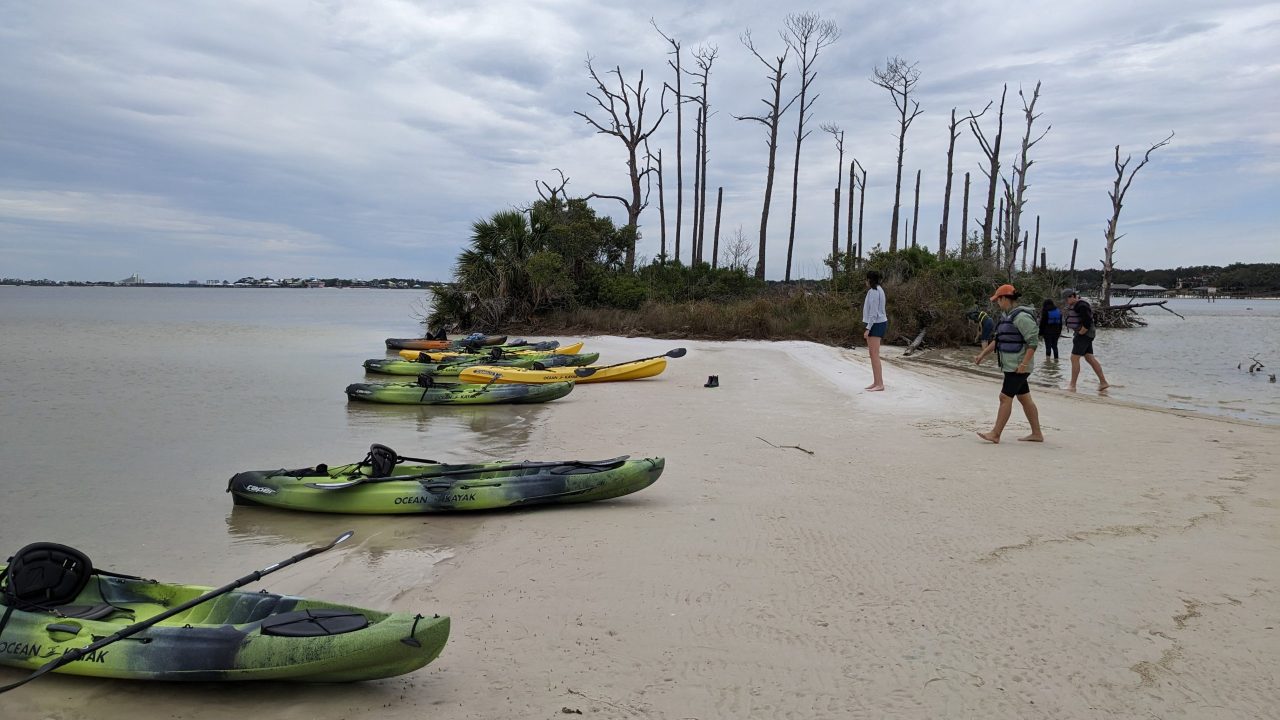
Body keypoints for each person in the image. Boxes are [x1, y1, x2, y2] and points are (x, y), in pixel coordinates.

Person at [974, 284, 1044, 443]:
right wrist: (982, 355)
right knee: (1024, 399)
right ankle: (1037, 434)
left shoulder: (1022, 317)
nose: (997, 303)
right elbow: (998, 340)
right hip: (1011, 366)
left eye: (998, 300)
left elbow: (1032, 343)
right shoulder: (1007, 317)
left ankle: (996, 434)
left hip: (1019, 366)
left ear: (1005, 298)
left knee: (1004, 397)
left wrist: (1024, 364)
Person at [1062, 288, 1109, 391]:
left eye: (1066, 299)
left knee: (1074, 358)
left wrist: (1081, 332)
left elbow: (1087, 321)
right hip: (1086, 334)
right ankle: (1103, 382)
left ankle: (1072, 386)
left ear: (1073, 296)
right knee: (1089, 358)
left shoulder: (1081, 305)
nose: (1066, 302)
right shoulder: (1077, 305)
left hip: (1084, 334)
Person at [862, 270, 887, 391]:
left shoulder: (875, 292)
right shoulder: (877, 290)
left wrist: (868, 328)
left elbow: (873, 313)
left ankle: (880, 384)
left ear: (870, 280)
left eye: (866, 279)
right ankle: (876, 382)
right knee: (872, 354)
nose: (865, 281)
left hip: (876, 324)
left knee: (874, 354)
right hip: (876, 323)